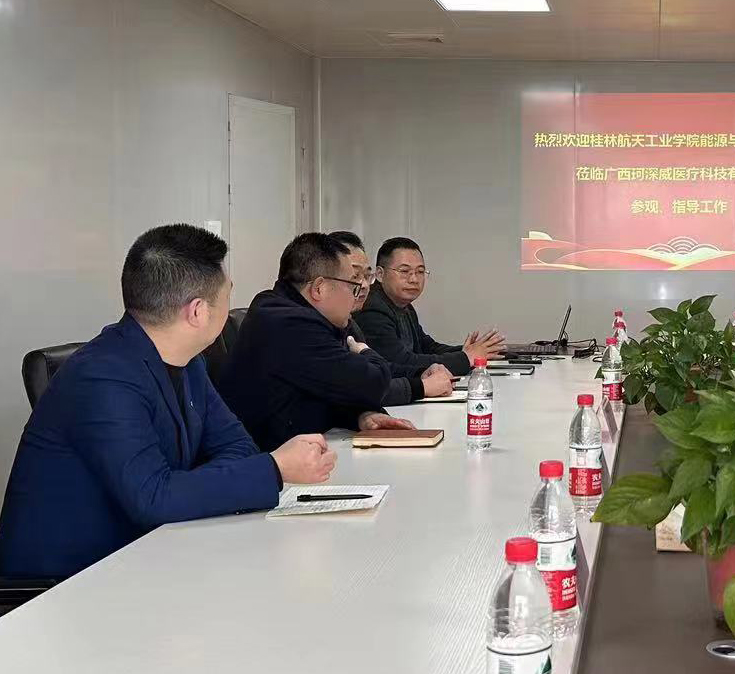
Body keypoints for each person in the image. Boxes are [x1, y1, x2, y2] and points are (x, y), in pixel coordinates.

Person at [0, 225, 336, 579]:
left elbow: (237, 446)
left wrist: (182, 489)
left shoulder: (188, 362)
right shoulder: (102, 376)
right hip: (63, 584)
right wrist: (274, 468)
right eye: (228, 292)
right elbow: (154, 498)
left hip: (146, 554)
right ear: (198, 312)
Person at [218, 232, 415, 452]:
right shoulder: (288, 324)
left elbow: (325, 388)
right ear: (319, 288)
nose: (357, 295)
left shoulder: (294, 312)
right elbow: (374, 383)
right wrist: (365, 352)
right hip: (264, 461)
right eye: (353, 285)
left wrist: (361, 415)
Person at [329, 231, 455, 405]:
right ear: (320, 285)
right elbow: (351, 388)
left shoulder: (350, 322)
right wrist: (421, 386)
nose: (363, 285)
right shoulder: (370, 310)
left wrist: (420, 373)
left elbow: (381, 369)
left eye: (366, 276)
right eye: (354, 276)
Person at [356, 237, 506, 377]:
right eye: (404, 271)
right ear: (380, 274)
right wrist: (466, 357)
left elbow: (428, 347)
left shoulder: (404, 306)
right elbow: (401, 361)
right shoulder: (371, 309)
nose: (414, 279)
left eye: (420, 272)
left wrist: (469, 351)